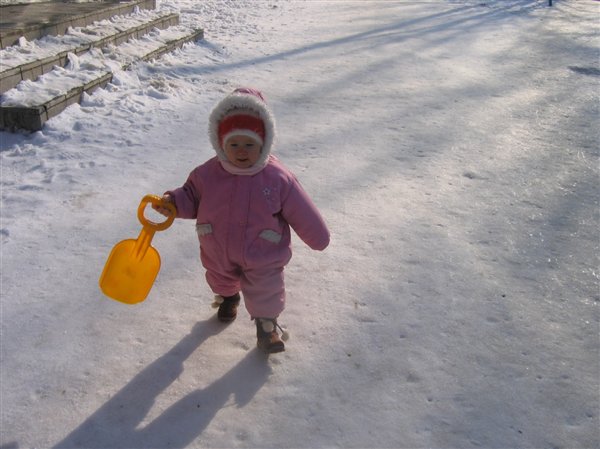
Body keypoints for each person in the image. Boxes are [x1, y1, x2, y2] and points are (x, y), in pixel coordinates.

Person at [153, 87, 330, 353]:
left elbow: (301, 208)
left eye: (249, 144)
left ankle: (267, 327)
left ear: (264, 142)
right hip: (217, 245)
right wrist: (173, 203)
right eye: (233, 144)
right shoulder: (207, 174)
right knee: (219, 278)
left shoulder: (277, 177)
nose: (242, 151)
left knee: (266, 290)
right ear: (220, 143)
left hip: (263, 250)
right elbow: (191, 195)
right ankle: (228, 297)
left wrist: (318, 237)